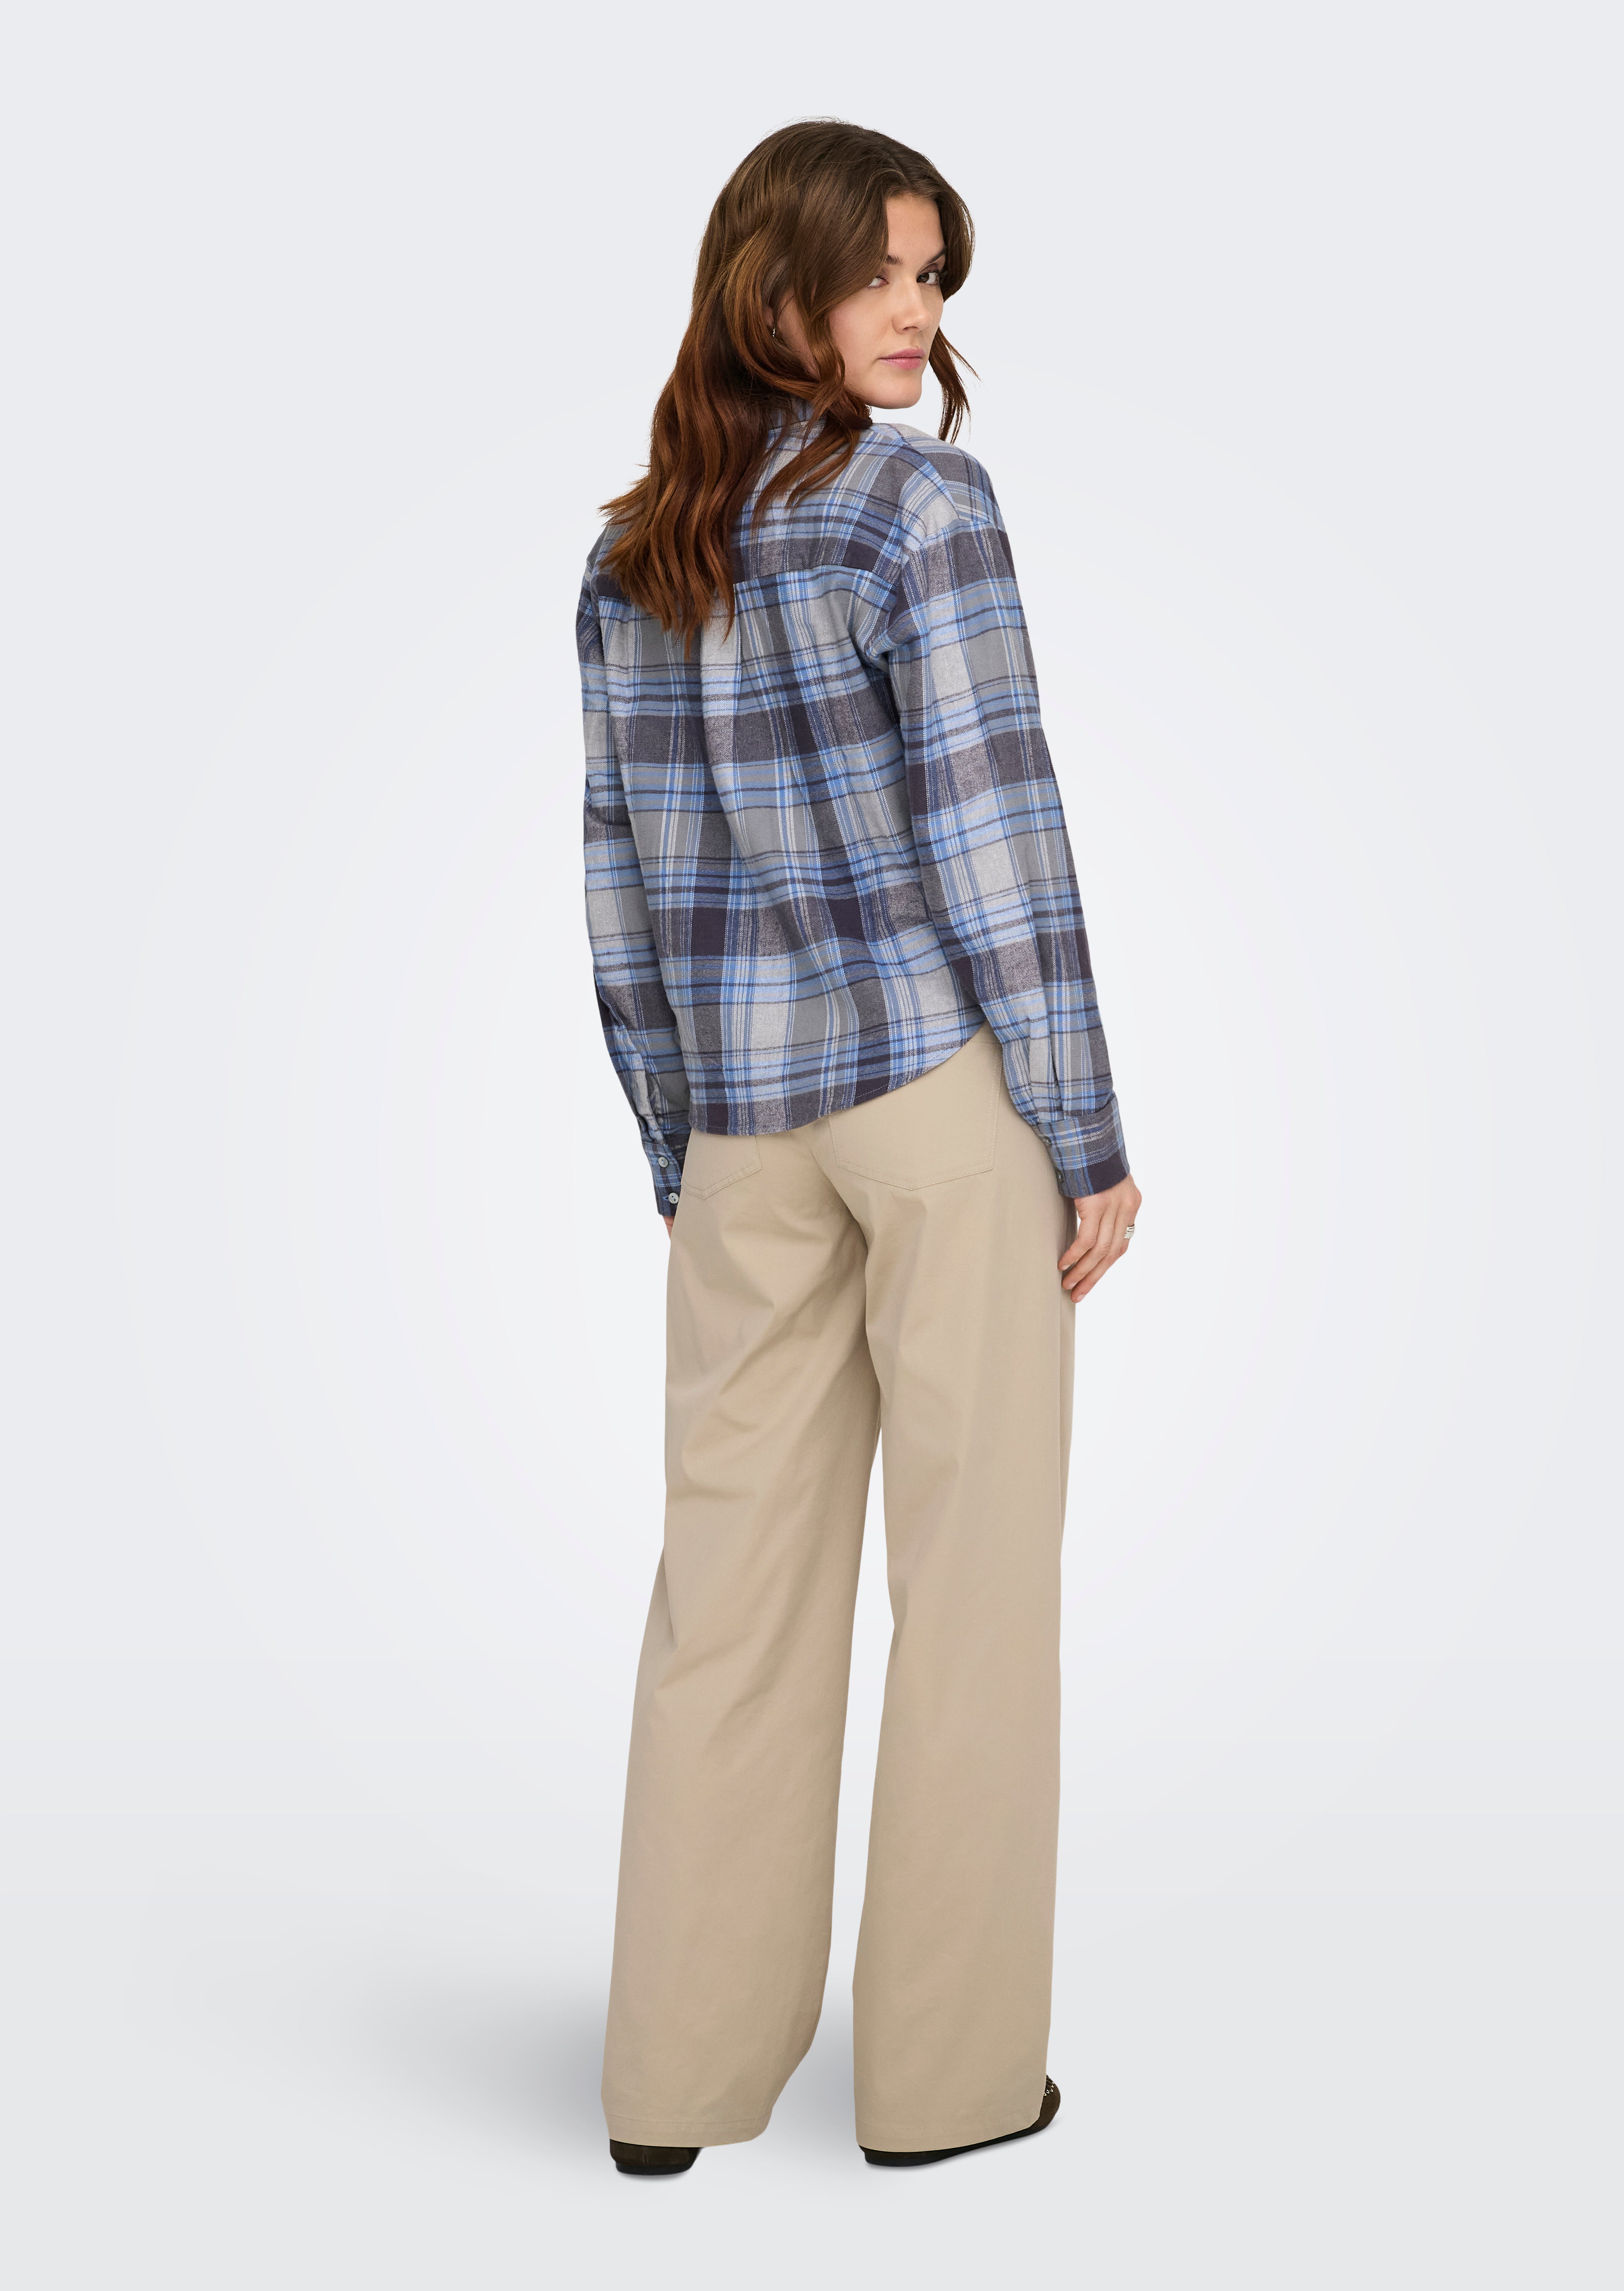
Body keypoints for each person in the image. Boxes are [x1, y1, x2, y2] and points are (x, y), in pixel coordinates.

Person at [579, 119, 1139, 2176]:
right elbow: (999, 834)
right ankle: (946, 2086)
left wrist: (684, 1146)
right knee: (972, 1590)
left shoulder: (637, 550)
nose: (920, 313)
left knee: (723, 1598)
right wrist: (1082, 1126)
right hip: (930, 1106)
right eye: (887, 271)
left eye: (933, 278)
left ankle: (673, 2086)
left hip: (742, 1129)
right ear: (780, 283)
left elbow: (619, 888)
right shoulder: (917, 505)